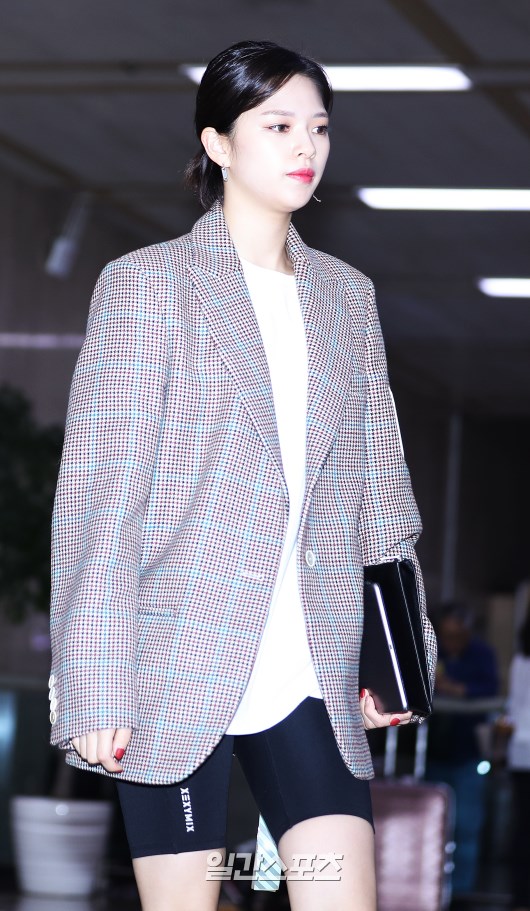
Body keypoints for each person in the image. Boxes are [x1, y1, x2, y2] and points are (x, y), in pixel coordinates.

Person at [49, 40, 437, 911]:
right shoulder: (147, 286)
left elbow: (381, 491)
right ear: (218, 143)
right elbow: (101, 501)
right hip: (172, 663)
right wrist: (96, 681)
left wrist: (400, 654)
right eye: (278, 125)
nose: (306, 146)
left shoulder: (347, 297)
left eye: (319, 127)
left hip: (312, 665)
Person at [426, 602, 498, 896]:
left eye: (458, 636)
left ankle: (461, 893)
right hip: (432, 752)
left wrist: (458, 690)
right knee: (431, 824)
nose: (451, 642)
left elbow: (491, 689)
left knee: (467, 825)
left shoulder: (481, 654)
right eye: (447, 636)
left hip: (469, 754)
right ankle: (429, 887)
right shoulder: (431, 650)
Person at [506, 610, 530, 911]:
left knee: (522, 828)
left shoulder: (520, 659)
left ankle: (520, 896)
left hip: (521, 753)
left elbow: (515, 706)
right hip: (523, 751)